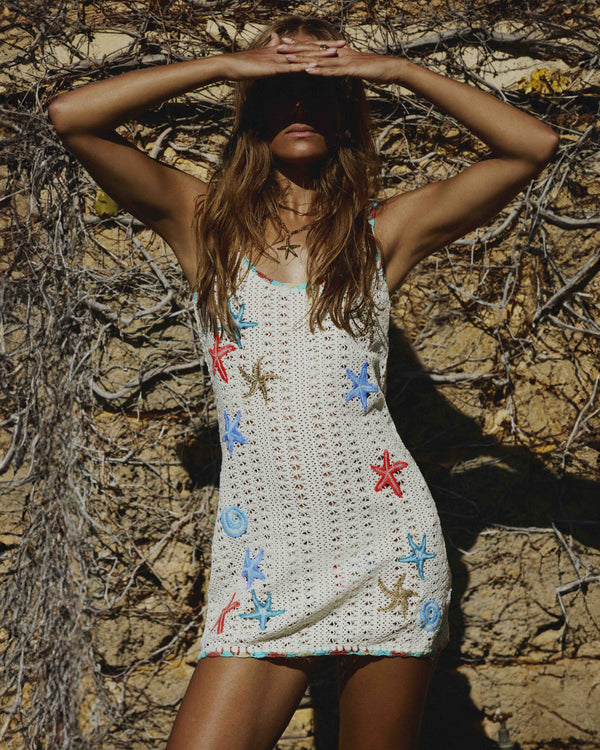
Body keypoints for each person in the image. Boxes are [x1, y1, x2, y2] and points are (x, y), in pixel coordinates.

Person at [48, 13, 559, 750]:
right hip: (265, 562)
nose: (300, 107)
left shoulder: (382, 233)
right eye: (282, 92)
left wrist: (396, 72)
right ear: (253, 110)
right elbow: (72, 117)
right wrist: (228, 64)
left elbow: (531, 145)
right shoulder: (204, 225)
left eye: (321, 93)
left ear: (347, 113)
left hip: (387, 550)